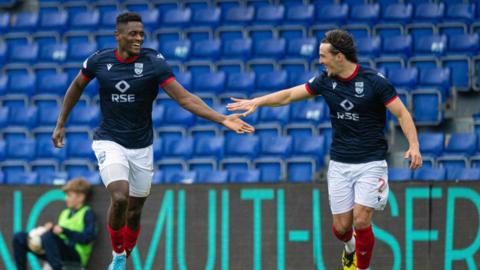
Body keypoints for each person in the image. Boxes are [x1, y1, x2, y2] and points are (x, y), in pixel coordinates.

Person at [52, 12, 254, 270]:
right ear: (118, 36)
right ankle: (117, 256)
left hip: (142, 146)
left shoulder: (153, 62)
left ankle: (125, 255)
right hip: (109, 140)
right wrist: (61, 123)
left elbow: (185, 98)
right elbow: (76, 87)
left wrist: (221, 119)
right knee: (120, 196)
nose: (138, 38)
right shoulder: (99, 60)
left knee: (134, 212)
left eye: (141, 34)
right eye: (133, 34)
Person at [227, 29, 422, 270]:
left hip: (371, 163)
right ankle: (349, 246)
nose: (320, 60)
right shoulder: (325, 80)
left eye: (323, 55)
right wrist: (257, 101)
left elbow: (402, 113)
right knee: (341, 229)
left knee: (361, 221)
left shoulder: (374, 82)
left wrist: (414, 145)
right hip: (340, 164)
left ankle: (362, 268)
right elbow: (288, 95)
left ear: (339, 56)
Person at [12, 178, 97, 270]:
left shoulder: (87, 213)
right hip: (57, 253)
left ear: (80, 197)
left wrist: (64, 231)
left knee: (48, 237)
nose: (66, 198)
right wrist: (51, 229)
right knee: (19, 237)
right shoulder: (64, 213)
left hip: (75, 256)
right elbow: (58, 237)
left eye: (69, 195)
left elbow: (88, 238)